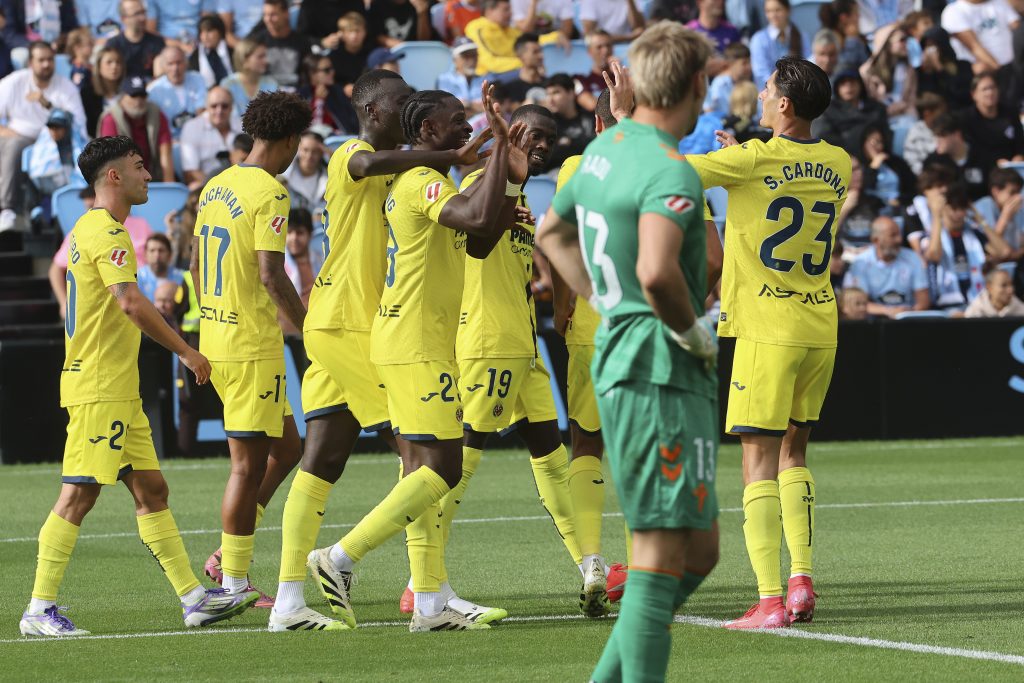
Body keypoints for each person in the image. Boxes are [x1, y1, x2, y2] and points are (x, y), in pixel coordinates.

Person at [283, 83, 517, 633]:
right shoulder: (355, 154)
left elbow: (474, 231)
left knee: (323, 460)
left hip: (358, 323)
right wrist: (459, 155)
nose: (409, 104)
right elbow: (372, 164)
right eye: (401, 99)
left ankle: (291, 601)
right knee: (427, 462)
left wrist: (493, 171)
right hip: (356, 324)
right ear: (371, 110)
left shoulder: (409, 174)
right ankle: (386, 577)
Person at [538, 21, 719, 682]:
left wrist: (599, 296)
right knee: (659, 555)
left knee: (700, 550)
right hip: (656, 369)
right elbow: (656, 272)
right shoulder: (670, 169)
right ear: (696, 84)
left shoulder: (603, 151)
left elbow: (552, 232)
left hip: (634, 361)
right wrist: (692, 331)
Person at [18, 135, 254, 638]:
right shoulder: (106, 231)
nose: (148, 175)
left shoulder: (91, 228)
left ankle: (194, 599)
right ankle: (39, 608)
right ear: (114, 176)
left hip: (118, 388)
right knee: (78, 494)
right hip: (99, 385)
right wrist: (186, 351)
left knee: (151, 490)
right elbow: (129, 301)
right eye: (139, 166)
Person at [687, 56, 851, 629]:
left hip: (766, 328)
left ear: (783, 102)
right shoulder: (839, 162)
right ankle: (801, 580)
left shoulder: (753, 159)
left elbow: (675, 174)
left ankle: (768, 600)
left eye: (766, 87)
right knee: (794, 453)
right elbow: (786, 178)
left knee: (756, 460)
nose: (758, 93)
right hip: (819, 325)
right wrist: (743, 161)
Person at [416, 103, 592, 622]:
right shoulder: (482, 183)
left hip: (523, 344)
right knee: (460, 462)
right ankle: (422, 580)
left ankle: (591, 567)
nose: (544, 145)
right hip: (487, 340)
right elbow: (472, 236)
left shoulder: (519, 192)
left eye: (550, 138)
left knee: (551, 456)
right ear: (511, 132)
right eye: (535, 135)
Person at [189, 91, 312, 608]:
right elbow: (270, 274)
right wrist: (308, 330)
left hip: (218, 338)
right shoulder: (270, 192)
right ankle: (233, 583)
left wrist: (213, 315)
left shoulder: (216, 185)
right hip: (250, 346)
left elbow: (195, 266)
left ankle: (228, 553)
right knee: (246, 465)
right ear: (290, 140)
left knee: (288, 449)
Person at [0, 41, 86, 231]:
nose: (46, 64)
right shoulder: (14, 82)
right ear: (30, 63)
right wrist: (4, 131)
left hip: (54, 143)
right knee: (14, 145)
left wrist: (48, 105)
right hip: (20, 138)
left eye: (50, 59)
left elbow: (79, 123)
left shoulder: (66, 87)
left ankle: (62, 211)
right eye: (41, 60)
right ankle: (8, 209)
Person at [49, 187, 154, 319]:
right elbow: (56, 268)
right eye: (87, 208)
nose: (89, 213)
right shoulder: (81, 231)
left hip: (144, 294)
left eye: (93, 207)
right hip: (106, 304)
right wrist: (63, 303)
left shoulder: (140, 224)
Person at [923, 182, 1011, 310]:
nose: (959, 214)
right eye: (954, 209)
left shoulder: (973, 233)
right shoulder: (933, 234)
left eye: (963, 208)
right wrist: (936, 216)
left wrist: (980, 219)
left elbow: (1004, 252)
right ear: (944, 208)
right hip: (946, 307)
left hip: (977, 304)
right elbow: (934, 255)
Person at [843, 216, 930, 317]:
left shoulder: (913, 258)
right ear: (876, 240)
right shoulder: (861, 263)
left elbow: (923, 301)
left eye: (899, 234)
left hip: (907, 319)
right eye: (893, 235)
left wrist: (906, 314)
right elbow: (856, 303)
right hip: (873, 320)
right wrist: (889, 311)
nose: (899, 239)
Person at [99, 76, 175, 183]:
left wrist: (169, 186)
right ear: (122, 97)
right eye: (133, 95)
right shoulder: (110, 119)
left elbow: (165, 152)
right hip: (122, 181)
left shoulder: (156, 114)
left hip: (153, 178)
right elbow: (110, 160)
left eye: (142, 95)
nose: (138, 100)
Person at [465, 0, 563, 76]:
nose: (510, 14)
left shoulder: (508, 29)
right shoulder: (477, 28)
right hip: (490, 75)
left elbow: (528, 42)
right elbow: (489, 62)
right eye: (506, 10)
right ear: (489, 11)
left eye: (510, 10)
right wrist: (525, 63)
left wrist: (556, 36)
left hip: (514, 70)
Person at [959, 72, 1024, 172]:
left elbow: (1020, 142)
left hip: (1012, 169)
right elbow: (970, 150)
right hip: (982, 170)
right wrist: (994, 162)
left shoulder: (1010, 113)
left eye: (993, 88)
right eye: (984, 89)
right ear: (974, 94)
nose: (990, 92)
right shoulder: (966, 119)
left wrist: (1019, 155)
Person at [812, 70, 887, 155]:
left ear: (860, 84)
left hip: (879, 156)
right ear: (836, 87)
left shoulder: (877, 109)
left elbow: (886, 136)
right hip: (841, 157)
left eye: (852, 82)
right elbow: (822, 136)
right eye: (843, 83)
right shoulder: (827, 111)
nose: (848, 87)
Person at [180, 87, 241, 189]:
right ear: (206, 107)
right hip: (206, 187)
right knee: (194, 186)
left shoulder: (242, 126)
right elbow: (190, 173)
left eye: (224, 106)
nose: (219, 110)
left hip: (239, 184)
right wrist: (220, 188)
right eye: (214, 106)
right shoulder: (192, 127)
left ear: (231, 107)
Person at [940, 0, 1019, 77]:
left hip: (1014, 66)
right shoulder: (953, 11)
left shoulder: (1000, 2)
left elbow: (1018, 29)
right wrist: (1001, 71)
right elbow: (974, 47)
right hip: (988, 74)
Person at [246, 0, 313, 89]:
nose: (268, 19)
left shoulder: (302, 42)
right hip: (264, 94)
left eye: (273, 15)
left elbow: (308, 74)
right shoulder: (257, 42)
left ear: (286, 14)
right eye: (265, 15)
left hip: (295, 94)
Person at [922, 112, 988, 200]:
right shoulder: (932, 162)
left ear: (957, 134)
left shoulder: (982, 155)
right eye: (936, 136)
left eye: (941, 136)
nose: (937, 141)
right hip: (947, 205)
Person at [860, 22, 918, 118]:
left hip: (905, 116)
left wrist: (902, 106)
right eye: (902, 40)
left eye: (906, 39)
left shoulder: (909, 70)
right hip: (878, 118)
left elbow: (911, 101)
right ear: (886, 43)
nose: (906, 44)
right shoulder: (867, 72)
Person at [147, 46, 207, 138]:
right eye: (170, 64)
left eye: (179, 62)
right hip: (170, 140)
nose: (175, 68)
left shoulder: (198, 79)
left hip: (199, 134)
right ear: (163, 66)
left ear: (186, 63)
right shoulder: (154, 90)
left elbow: (202, 111)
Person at [973, 168, 1024, 275]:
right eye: (1012, 192)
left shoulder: (1019, 210)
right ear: (996, 191)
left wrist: (1014, 255)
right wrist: (1005, 217)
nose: (1017, 197)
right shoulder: (983, 207)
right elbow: (991, 247)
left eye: (1018, 192)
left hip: (1015, 266)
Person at [857, 123, 917, 212]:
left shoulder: (895, 162)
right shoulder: (856, 166)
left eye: (881, 142)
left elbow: (911, 187)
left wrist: (900, 200)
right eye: (874, 142)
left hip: (899, 207)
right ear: (864, 143)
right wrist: (874, 167)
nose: (878, 147)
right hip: (873, 211)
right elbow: (864, 189)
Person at [750, 0, 808, 88]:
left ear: (788, 10)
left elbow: (808, 64)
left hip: (798, 90)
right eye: (768, 11)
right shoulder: (759, 39)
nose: (773, 15)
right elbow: (761, 74)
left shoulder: (801, 36)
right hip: (769, 92)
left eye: (777, 10)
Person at [544, 73, 595, 171]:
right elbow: (547, 159)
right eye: (547, 94)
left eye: (556, 93)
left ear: (571, 93)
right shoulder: (548, 124)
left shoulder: (591, 118)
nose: (550, 99)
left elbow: (599, 145)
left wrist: (570, 143)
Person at [298, 54, 359, 135]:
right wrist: (318, 101)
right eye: (327, 70)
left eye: (332, 68)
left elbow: (350, 125)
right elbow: (307, 127)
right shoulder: (301, 95)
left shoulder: (337, 92)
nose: (332, 72)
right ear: (312, 74)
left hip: (340, 138)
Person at [916, 26, 973, 110]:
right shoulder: (923, 72)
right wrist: (927, 70)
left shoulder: (963, 66)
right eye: (927, 46)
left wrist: (939, 68)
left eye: (933, 45)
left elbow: (960, 91)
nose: (930, 50)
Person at [106, 0, 165, 81]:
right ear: (124, 18)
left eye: (143, 12)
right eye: (137, 14)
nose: (143, 18)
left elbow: (161, 79)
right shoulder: (113, 45)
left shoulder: (157, 42)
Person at [220, 38, 278, 118]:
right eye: (260, 56)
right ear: (245, 60)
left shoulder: (271, 84)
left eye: (265, 56)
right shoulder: (228, 85)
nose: (266, 61)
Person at [81, 45, 125, 137]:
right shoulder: (87, 94)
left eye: (118, 62)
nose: (114, 66)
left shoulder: (128, 93)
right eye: (109, 62)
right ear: (99, 66)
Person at [280, 131, 328, 213]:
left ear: (321, 153)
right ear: (298, 149)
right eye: (305, 150)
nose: (309, 156)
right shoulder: (282, 176)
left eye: (315, 151)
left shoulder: (328, 181)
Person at [436, 38, 486, 114]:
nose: (471, 61)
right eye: (466, 56)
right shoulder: (444, 80)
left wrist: (466, 104)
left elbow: (489, 108)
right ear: (454, 60)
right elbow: (448, 108)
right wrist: (474, 106)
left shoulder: (485, 79)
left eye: (474, 55)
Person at [328, 12, 372, 97]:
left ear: (365, 32)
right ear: (341, 34)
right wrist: (342, 88)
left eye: (357, 31)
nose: (354, 36)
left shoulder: (372, 54)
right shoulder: (334, 56)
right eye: (349, 31)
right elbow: (329, 81)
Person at [818, 0, 870, 69]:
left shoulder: (825, 37)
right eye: (856, 13)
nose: (859, 16)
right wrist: (854, 40)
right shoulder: (851, 44)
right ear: (844, 18)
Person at [902, 91, 946, 174]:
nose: (943, 115)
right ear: (927, 113)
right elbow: (911, 163)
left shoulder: (946, 130)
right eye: (939, 111)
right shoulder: (915, 132)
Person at [704, 41, 751, 115]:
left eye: (749, 62)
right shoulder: (720, 84)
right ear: (731, 63)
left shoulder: (746, 83)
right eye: (744, 63)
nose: (749, 67)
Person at [190, 15, 235, 89]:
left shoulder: (232, 52)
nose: (205, 37)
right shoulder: (195, 56)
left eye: (209, 31)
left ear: (220, 32)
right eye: (202, 32)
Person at [137, 233, 186, 302]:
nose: (157, 255)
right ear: (145, 255)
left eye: (161, 250)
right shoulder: (137, 278)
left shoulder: (182, 278)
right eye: (152, 250)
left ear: (170, 255)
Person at [502, 33, 547, 102]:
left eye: (540, 51)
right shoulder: (509, 89)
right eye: (535, 52)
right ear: (520, 56)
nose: (541, 56)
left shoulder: (549, 85)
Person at [368, 0, 433, 48]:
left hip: (416, 51)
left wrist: (422, 14)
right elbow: (377, 36)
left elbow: (424, 40)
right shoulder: (377, 4)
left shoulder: (420, 3)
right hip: (387, 51)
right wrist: (403, 46)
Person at [575, 30, 614, 109]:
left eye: (608, 46)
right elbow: (592, 105)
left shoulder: (622, 77)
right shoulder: (581, 79)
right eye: (599, 47)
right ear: (589, 52)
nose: (605, 51)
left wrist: (620, 74)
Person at [580, 0, 646, 43]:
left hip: (627, 45)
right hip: (601, 47)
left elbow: (639, 28)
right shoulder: (589, 1)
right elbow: (589, 36)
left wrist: (630, 2)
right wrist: (628, 37)